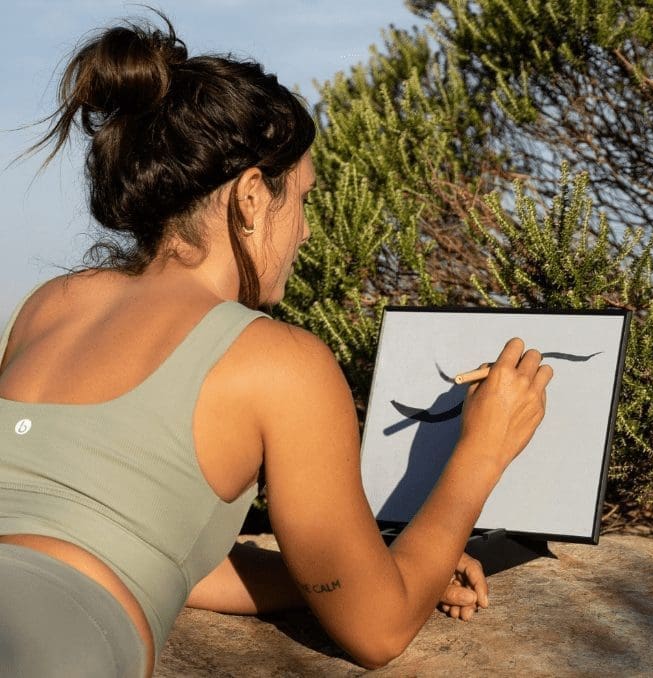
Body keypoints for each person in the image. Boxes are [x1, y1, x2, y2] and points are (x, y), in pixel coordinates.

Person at [0, 13, 553, 678]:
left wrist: (369, 569)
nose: (308, 233)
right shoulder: (278, 361)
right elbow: (378, 631)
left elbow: (159, 555)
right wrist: (482, 453)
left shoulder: (53, 305)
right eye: (304, 200)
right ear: (253, 197)